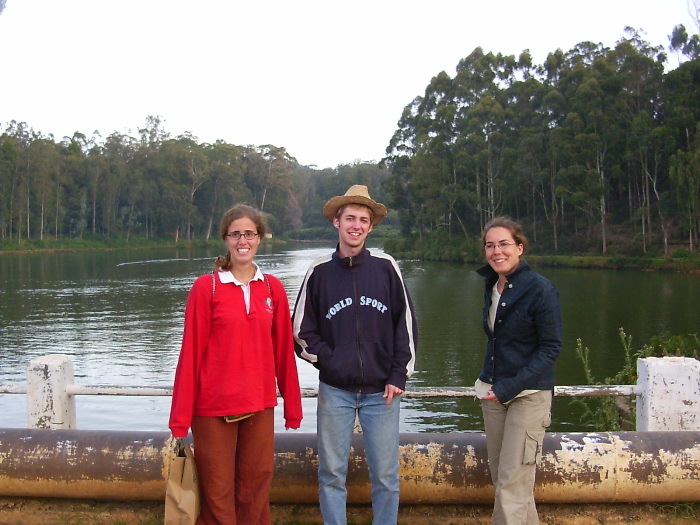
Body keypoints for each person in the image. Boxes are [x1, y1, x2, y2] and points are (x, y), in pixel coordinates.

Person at [169, 204, 302, 525]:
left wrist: (293, 408)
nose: (243, 240)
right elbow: (190, 355)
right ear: (226, 239)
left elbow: (284, 351)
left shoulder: (272, 288)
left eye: (249, 234)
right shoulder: (207, 288)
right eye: (236, 234)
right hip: (213, 408)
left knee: (256, 487)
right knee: (217, 492)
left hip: (259, 403)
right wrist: (180, 418)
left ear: (260, 237)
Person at [292, 185, 417, 525]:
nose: (356, 225)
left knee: (387, 477)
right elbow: (301, 332)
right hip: (336, 391)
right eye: (350, 218)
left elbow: (404, 325)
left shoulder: (386, 267)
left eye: (363, 220)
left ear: (371, 226)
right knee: (332, 473)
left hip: (383, 393)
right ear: (337, 222)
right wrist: (331, 360)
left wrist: (398, 375)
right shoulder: (319, 272)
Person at [474, 216, 563, 525]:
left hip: (528, 394)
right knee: (507, 479)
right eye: (490, 245)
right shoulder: (493, 285)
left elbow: (551, 347)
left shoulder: (541, 290)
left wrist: (508, 387)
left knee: (512, 483)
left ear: (520, 248)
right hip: (494, 392)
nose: (497, 251)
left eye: (504, 244)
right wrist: (490, 384)